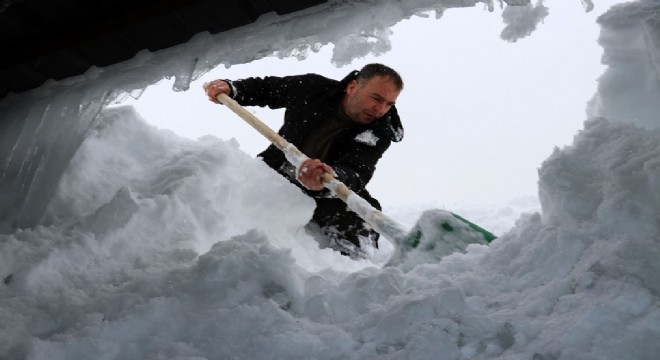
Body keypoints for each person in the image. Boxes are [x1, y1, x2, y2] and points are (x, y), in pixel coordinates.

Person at [203, 63, 404, 259]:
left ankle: (351, 268)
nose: (380, 109)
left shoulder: (379, 131)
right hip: (277, 172)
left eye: (389, 104)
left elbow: (357, 169)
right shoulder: (313, 89)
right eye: (376, 98)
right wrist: (234, 88)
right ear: (352, 87)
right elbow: (269, 88)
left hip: (328, 188)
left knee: (359, 218)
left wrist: (330, 175)